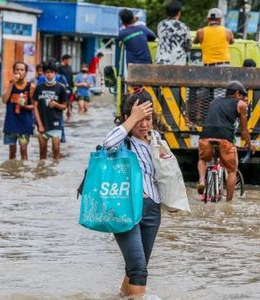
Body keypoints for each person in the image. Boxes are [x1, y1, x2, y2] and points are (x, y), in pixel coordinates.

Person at [102, 90, 161, 297]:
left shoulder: (156, 139)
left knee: (136, 265)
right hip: (125, 210)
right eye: (139, 119)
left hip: (152, 210)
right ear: (127, 117)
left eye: (148, 118)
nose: (144, 124)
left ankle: (121, 297)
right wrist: (131, 120)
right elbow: (106, 145)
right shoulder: (122, 142)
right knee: (138, 268)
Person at [197, 81, 255, 201]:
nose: (244, 98)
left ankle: (202, 180)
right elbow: (244, 131)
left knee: (203, 159)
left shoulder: (214, 102)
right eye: (243, 95)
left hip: (206, 136)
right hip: (225, 138)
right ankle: (229, 202)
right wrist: (250, 144)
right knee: (232, 170)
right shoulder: (240, 105)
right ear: (237, 93)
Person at [32, 61, 68, 160]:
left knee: (56, 151)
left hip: (56, 124)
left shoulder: (61, 88)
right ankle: (43, 173)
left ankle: (55, 173)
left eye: (52, 72)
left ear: (55, 73)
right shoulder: (39, 87)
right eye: (47, 72)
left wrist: (56, 104)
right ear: (44, 73)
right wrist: (39, 124)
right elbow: (35, 106)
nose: (49, 74)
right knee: (42, 154)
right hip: (42, 124)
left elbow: (65, 107)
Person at [2, 61, 36, 160]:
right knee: (12, 152)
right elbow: (4, 100)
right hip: (11, 122)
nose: (19, 72)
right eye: (17, 69)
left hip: (25, 123)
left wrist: (25, 106)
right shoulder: (9, 84)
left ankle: (23, 173)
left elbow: (34, 106)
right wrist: (12, 84)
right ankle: (13, 173)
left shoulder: (31, 87)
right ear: (13, 71)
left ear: (25, 72)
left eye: (22, 70)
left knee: (23, 150)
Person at [156, 1, 191, 65]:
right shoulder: (183, 27)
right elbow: (188, 45)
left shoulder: (160, 25)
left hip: (161, 61)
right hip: (178, 63)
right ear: (179, 13)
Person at [58, 54, 75, 118]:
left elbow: (71, 77)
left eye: (69, 60)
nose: (68, 61)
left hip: (70, 87)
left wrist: (72, 86)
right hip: (62, 87)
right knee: (63, 101)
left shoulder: (70, 67)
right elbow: (58, 78)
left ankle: (69, 116)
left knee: (70, 102)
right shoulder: (59, 68)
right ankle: (63, 115)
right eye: (67, 60)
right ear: (63, 60)